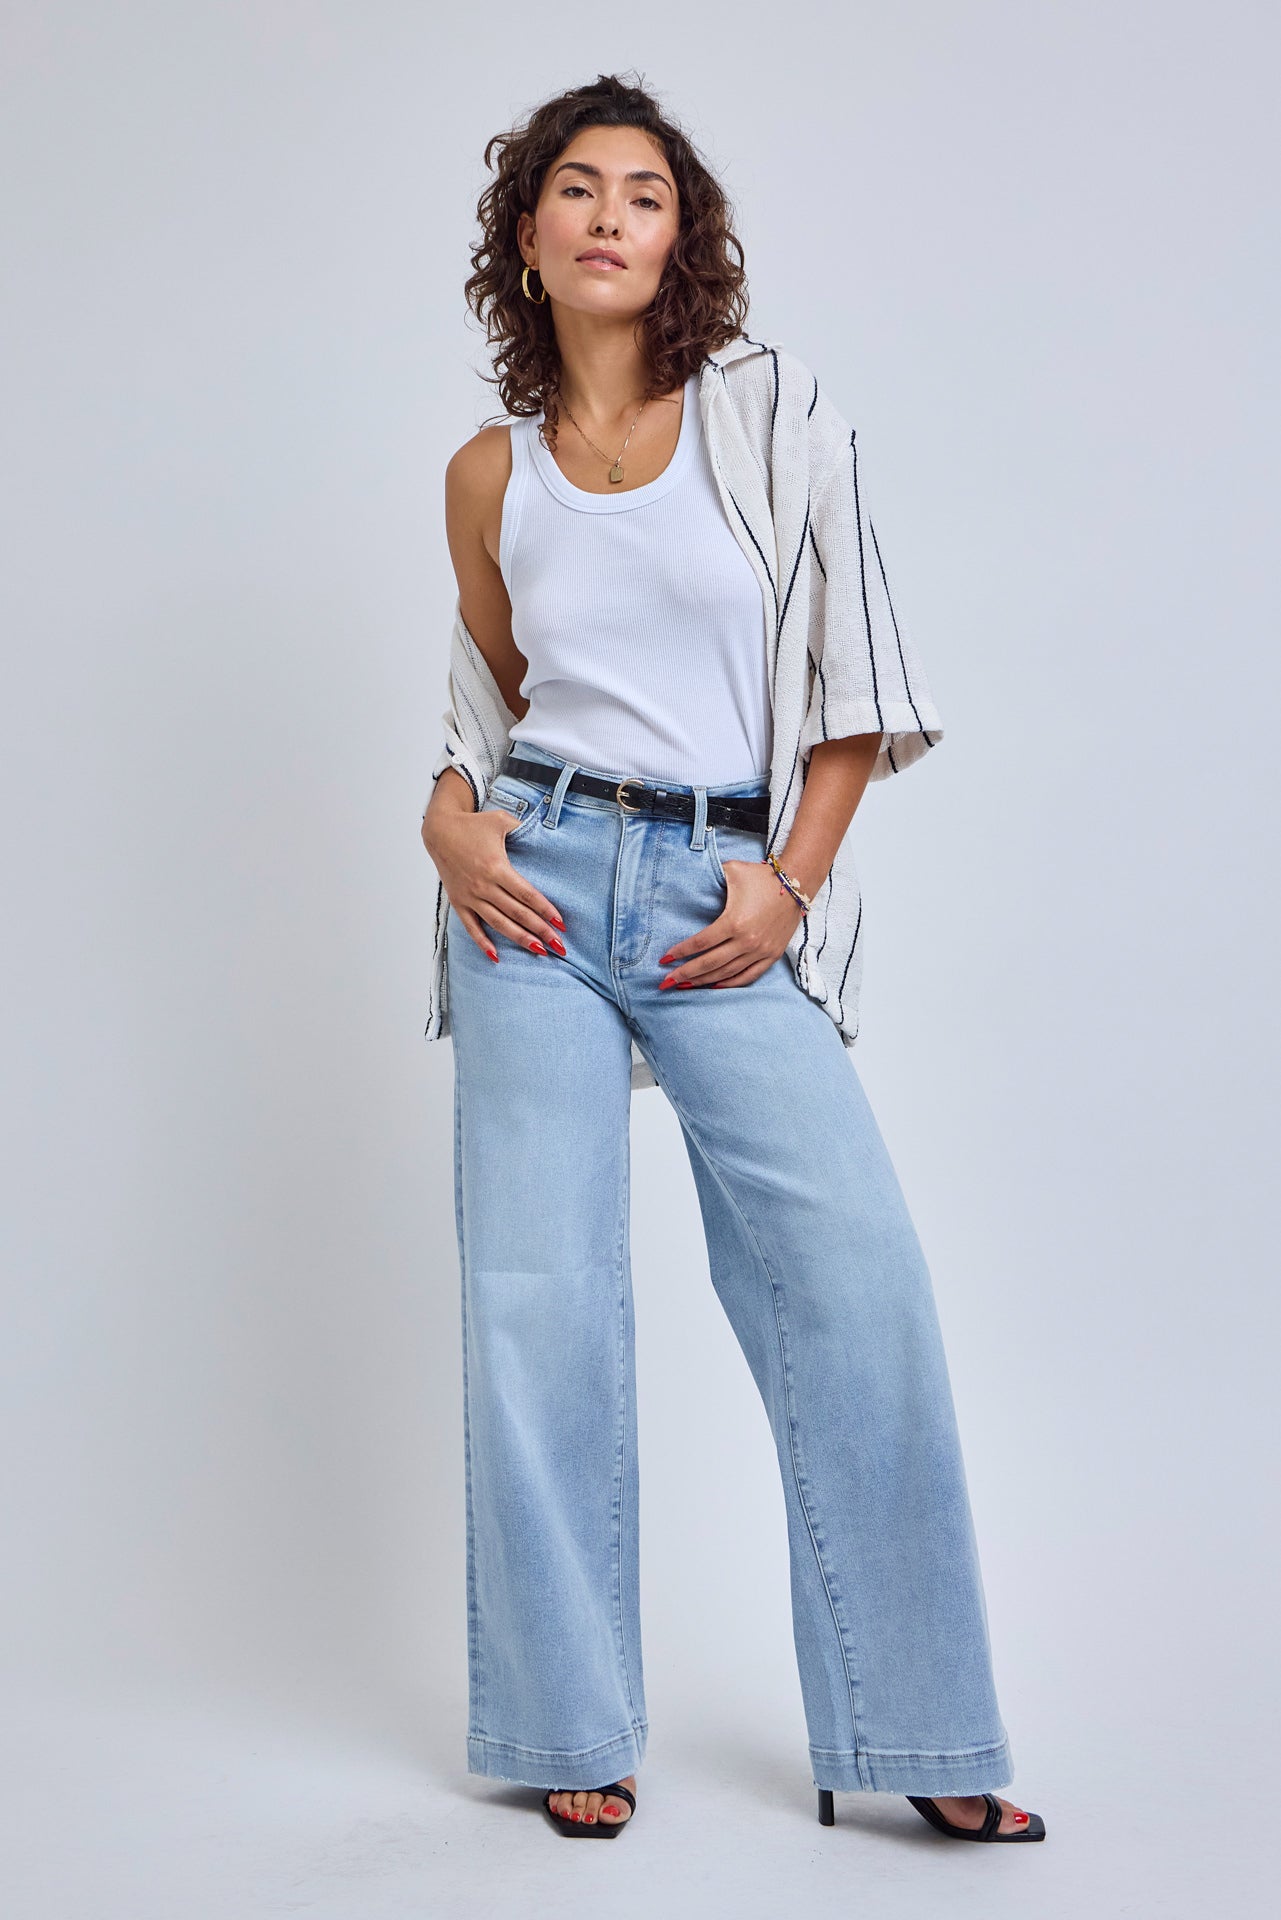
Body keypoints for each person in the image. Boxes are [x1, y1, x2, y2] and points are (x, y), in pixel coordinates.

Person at [419, 72, 1046, 1848]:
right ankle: (563, 1727)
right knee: (534, 1301)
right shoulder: (487, 471)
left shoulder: (772, 420)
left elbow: (851, 676)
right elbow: (483, 705)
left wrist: (788, 881)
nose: (609, 213)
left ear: (679, 238)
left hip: (714, 893)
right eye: (575, 188)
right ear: (525, 235)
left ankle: (921, 1723)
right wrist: (445, 818)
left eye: (644, 192)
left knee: (851, 1281)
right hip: (527, 892)